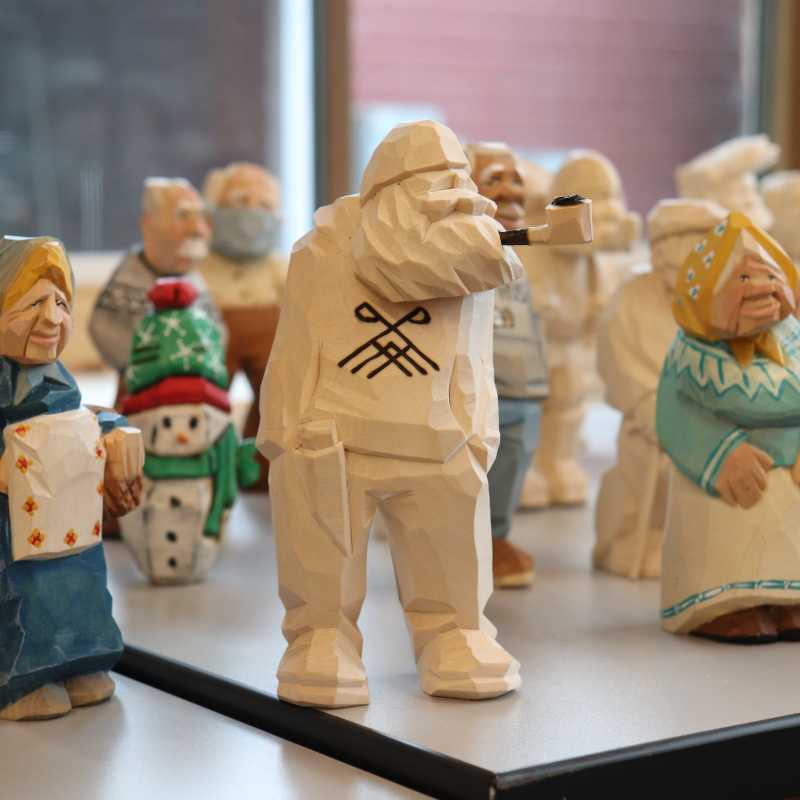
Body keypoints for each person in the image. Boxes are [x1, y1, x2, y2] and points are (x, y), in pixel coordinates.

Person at [258, 120, 523, 707]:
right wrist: (284, 432)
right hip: (336, 437)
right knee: (322, 553)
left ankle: (454, 636)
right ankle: (321, 638)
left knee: (451, 552)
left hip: (439, 440)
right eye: (435, 183)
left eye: (458, 181)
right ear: (390, 190)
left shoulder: (476, 264)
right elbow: (295, 348)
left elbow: (474, 358)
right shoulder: (323, 251)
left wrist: (478, 430)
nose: (453, 196)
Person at [0, 236, 143, 720]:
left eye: (61, 303)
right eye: (33, 303)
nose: (52, 318)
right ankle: (22, 680)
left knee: (81, 592)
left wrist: (118, 432)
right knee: (27, 599)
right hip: (11, 540)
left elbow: (83, 418)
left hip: (72, 526)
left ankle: (81, 661)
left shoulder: (58, 379)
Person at [657, 211, 800, 642]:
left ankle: (788, 599)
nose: (761, 288)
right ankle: (723, 605)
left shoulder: (791, 338)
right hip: (724, 478)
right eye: (743, 279)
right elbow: (675, 413)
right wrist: (720, 455)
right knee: (727, 539)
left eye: (770, 276)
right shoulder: (691, 355)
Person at [593, 199, 727, 579]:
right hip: (647, 417)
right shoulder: (632, 295)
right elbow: (616, 356)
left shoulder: (724, 299)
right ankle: (632, 539)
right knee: (640, 479)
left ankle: (694, 545)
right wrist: (648, 405)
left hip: (709, 420)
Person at [520, 150, 641, 508]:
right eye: (599, 198)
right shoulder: (532, 247)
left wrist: (597, 309)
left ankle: (559, 462)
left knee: (569, 404)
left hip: (570, 346)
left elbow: (598, 292)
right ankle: (526, 469)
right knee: (528, 408)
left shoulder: (590, 262)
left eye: (613, 196)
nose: (611, 209)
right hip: (532, 349)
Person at [466, 142, 548, 588]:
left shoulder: (520, 260)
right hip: (480, 389)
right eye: (495, 178)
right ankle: (465, 546)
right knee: (474, 469)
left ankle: (496, 539)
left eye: (517, 179)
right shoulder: (456, 261)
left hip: (523, 387)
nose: (511, 190)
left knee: (514, 464)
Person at [89, 177, 222, 407]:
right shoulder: (128, 279)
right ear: (148, 224)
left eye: (201, 216)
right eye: (183, 215)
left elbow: (217, 333)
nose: (198, 229)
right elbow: (105, 331)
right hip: (140, 389)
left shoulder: (196, 283)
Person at [201, 163, 287, 487]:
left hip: (270, 346)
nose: (251, 212)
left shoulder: (280, 268)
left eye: (264, 204)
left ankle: (263, 470)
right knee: (205, 400)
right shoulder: (198, 267)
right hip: (212, 338)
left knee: (275, 399)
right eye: (239, 201)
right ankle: (205, 467)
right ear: (212, 211)